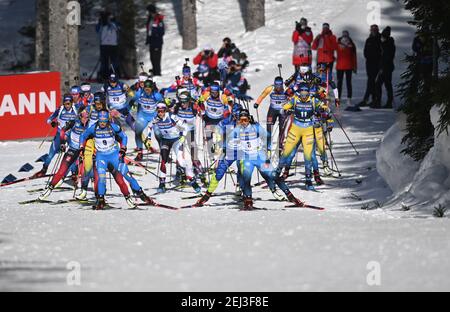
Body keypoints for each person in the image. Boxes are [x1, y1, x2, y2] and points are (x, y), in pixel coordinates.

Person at [227, 109, 305, 210]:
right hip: (247, 157)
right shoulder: (237, 130)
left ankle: (290, 196)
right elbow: (228, 142)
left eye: (245, 120)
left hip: (259, 156)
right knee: (246, 178)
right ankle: (248, 200)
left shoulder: (255, 127)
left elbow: (267, 136)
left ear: (249, 119)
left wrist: (267, 148)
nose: (243, 123)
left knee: (273, 175)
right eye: (241, 120)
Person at [276, 83, 329, 190]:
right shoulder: (294, 100)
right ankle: (277, 174)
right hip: (295, 130)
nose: (303, 95)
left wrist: (322, 110)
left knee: (309, 156)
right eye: (301, 93)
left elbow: (326, 109)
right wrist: (286, 110)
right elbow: (282, 108)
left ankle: (309, 180)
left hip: (308, 130)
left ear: (309, 92)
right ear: (299, 92)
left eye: (305, 93)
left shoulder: (314, 100)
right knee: (287, 153)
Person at [79, 110, 136, 209]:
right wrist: (82, 147)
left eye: (104, 121)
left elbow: (123, 137)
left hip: (113, 157)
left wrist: (123, 149)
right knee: (100, 179)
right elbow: (84, 136)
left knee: (120, 180)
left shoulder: (112, 127)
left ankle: (128, 197)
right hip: (101, 158)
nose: (102, 123)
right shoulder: (93, 128)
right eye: (100, 121)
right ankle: (100, 200)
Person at [38, 108, 89, 200]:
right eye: (83, 115)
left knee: (85, 172)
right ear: (80, 115)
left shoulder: (91, 125)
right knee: (62, 170)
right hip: (73, 149)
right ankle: (49, 189)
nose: (85, 118)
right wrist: (62, 143)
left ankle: (84, 192)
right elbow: (62, 131)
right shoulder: (73, 122)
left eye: (87, 116)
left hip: (84, 151)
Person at [152, 103, 201, 194]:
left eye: (162, 111)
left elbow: (186, 127)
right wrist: (148, 138)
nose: (160, 113)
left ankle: (193, 182)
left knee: (181, 162)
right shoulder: (155, 119)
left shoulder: (172, 117)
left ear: (165, 110)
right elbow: (151, 127)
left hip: (176, 141)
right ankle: (162, 184)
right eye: (158, 111)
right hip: (165, 141)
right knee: (163, 160)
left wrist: (183, 136)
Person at [33, 94, 78, 178]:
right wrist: (53, 122)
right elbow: (48, 119)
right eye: (65, 103)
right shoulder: (60, 109)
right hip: (60, 134)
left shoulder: (76, 109)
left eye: (69, 103)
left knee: (72, 154)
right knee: (51, 154)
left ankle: (74, 172)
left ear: (72, 103)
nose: (67, 105)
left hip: (71, 136)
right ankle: (44, 169)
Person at [254, 76, 290, 157]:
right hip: (272, 110)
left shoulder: (286, 89)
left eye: (279, 86)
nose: (277, 88)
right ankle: (268, 147)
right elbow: (262, 95)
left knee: (282, 129)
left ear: (282, 85)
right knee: (269, 128)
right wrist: (257, 103)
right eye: (276, 85)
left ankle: (280, 147)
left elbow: (293, 97)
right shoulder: (270, 88)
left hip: (283, 111)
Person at [132, 79, 163, 161]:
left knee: (158, 134)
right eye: (146, 89)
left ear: (152, 88)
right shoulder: (139, 93)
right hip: (143, 116)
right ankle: (140, 153)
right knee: (138, 132)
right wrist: (126, 110)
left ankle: (164, 153)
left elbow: (164, 105)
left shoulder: (156, 95)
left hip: (154, 116)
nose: (147, 91)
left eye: (149, 89)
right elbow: (131, 101)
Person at [359, 24, 382, 107]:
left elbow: (382, 52)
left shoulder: (380, 39)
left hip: (377, 64)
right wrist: (368, 57)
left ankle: (374, 100)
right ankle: (371, 99)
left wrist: (379, 62)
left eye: (375, 30)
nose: (373, 31)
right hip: (369, 64)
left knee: (376, 82)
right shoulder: (368, 39)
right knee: (370, 81)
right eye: (372, 30)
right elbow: (365, 51)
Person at [373, 26, 395, 108]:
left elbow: (387, 58)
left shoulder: (388, 45)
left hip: (386, 68)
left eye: (382, 37)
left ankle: (384, 102)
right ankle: (382, 102)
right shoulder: (386, 44)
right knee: (384, 84)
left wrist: (382, 68)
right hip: (385, 67)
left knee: (382, 84)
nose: (381, 38)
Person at [96, 10, 120, 81]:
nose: (109, 18)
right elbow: (97, 30)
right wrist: (101, 22)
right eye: (108, 17)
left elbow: (118, 28)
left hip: (113, 45)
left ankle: (114, 75)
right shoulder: (102, 23)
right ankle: (104, 75)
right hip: (104, 45)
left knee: (114, 62)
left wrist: (113, 22)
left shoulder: (115, 23)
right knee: (104, 62)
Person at [336, 30, 357, 107]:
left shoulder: (351, 45)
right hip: (340, 66)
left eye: (346, 35)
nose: (345, 37)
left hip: (348, 66)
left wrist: (355, 66)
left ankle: (349, 98)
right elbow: (330, 49)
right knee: (339, 83)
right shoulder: (338, 44)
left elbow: (354, 56)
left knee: (348, 83)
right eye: (344, 35)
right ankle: (338, 98)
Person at [145, 4, 165, 76]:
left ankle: (158, 73)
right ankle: (154, 71)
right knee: (152, 57)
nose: (147, 13)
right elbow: (149, 30)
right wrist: (148, 39)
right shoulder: (150, 18)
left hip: (157, 42)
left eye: (148, 11)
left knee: (156, 58)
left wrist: (155, 34)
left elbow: (162, 31)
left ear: (151, 11)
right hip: (151, 42)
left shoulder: (158, 19)